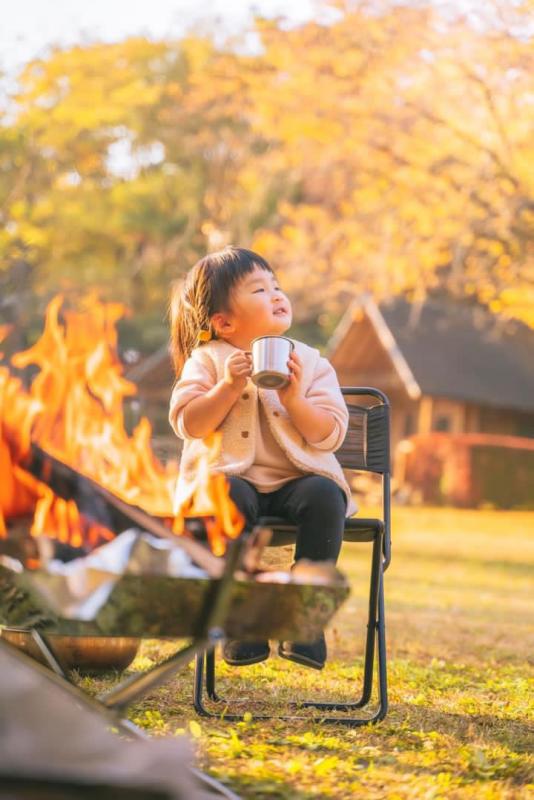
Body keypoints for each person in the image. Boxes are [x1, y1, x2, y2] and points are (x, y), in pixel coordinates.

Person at [169, 246, 356, 670]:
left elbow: (329, 434)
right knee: (226, 493)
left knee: (328, 495)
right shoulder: (207, 360)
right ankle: (243, 620)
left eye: (276, 285)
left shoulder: (310, 362)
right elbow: (187, 423)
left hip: (298, 483)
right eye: (259, 288)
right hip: (231, 484)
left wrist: (294, 398)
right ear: (224, 322)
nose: (275, 294)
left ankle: (304, 615)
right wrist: (227, 388)